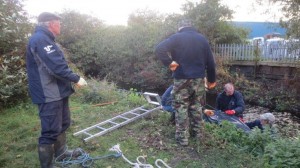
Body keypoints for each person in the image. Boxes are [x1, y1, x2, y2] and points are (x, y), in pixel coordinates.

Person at [25, 12, 88, 167]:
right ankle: (47, 165)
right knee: (50, 131)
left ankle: (61, 153)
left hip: (59, 91)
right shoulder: (40, 40)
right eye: (59, 23)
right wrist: (76, 78)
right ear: (51, 24)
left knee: (63, 123)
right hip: (48, 93)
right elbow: (56, 67)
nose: (60, 25)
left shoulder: (47, 39)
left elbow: (57, 65)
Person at [155, 19, 216, 146]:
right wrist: (211, 80)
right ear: (191, 26)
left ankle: (183, 140)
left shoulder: (176, 38)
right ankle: (198, 136)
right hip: (199, 80)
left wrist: (170, 63)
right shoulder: (202, 39)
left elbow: (159, 49)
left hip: (181, 78)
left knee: (181, 107)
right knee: (197, 107)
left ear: (180, 27)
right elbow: (211, 62)